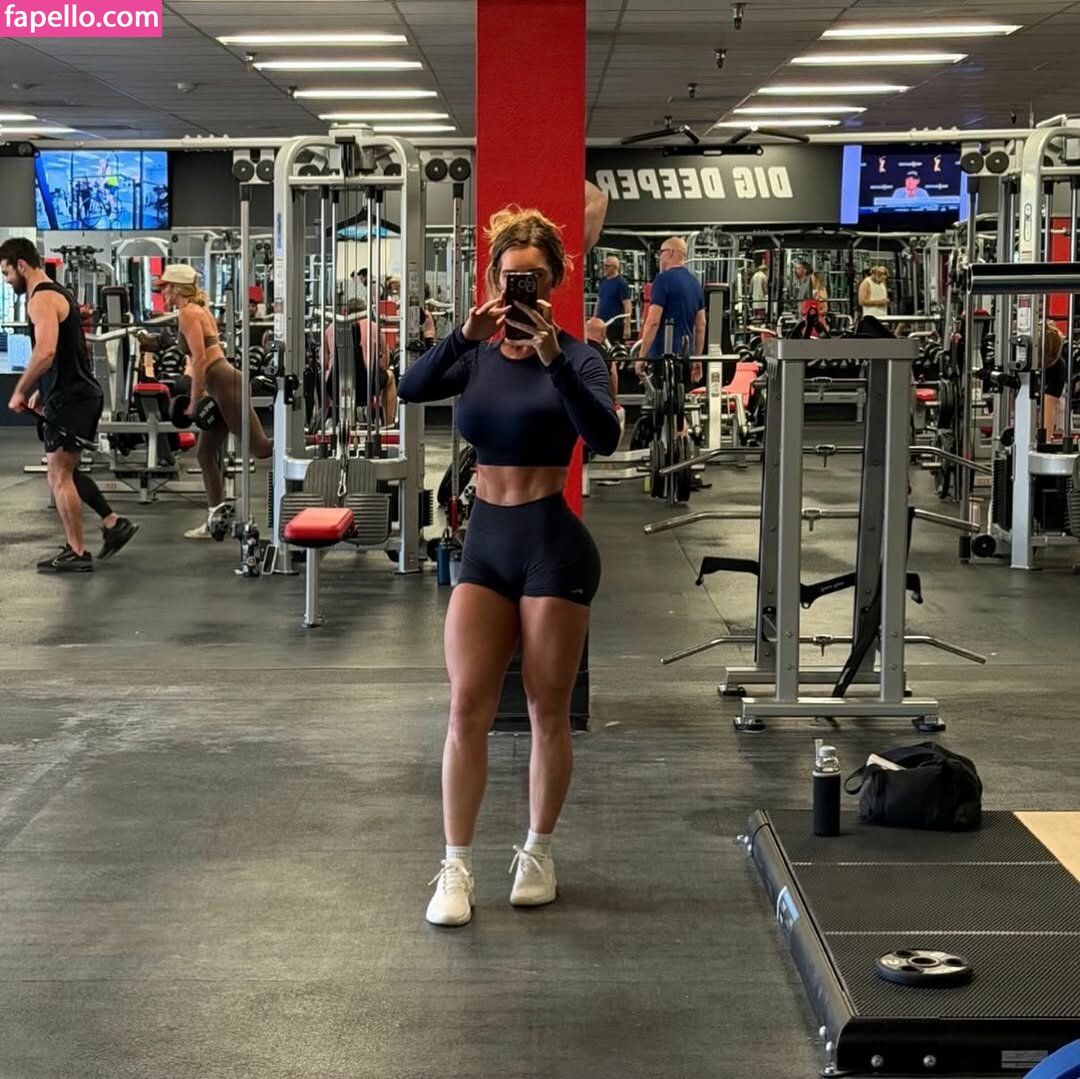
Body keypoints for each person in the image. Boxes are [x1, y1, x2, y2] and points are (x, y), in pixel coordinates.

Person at [397, 207, 620, 928]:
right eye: (510, 276)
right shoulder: (476, 355)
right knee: (467, 707)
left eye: (535, 277)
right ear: (494, 279)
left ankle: (537, 851)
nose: (522, 287)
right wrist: (463, 334)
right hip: (486, 544)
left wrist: (554, 358)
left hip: (553, 543)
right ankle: (455, 864)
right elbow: (410, 387)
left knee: (546, 708)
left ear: (554, 281)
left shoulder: (580, 357)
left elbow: (605, 438)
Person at [1, 237, 138, 571]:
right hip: (75, 394)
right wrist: (43, 390)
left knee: (58, 474)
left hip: (73, 398)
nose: (5, 280)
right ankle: (113, 523)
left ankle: (77, 553)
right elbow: (66, 353)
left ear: (22, 265)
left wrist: (21, 389)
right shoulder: (59, 293)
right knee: (67, 471)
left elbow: (46, 352)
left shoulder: (41, 299)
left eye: (6, 272)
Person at [154, 265, 272, 539]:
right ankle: (215, 521)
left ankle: (317, 447)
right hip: (218, 385)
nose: (163, 292)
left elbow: (200, 359)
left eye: (165, 287)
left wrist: (194, 401)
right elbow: (199, 359)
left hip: (225, 383)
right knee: (205, 454)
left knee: (261, 448)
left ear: (177, 288)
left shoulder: (189, 313)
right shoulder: (196, 310)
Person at [635, 237, 705, 385]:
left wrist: (642, 356)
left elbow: (653, 322)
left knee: (660, 398)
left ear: (671, 253)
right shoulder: (695, 283)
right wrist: (697, 358)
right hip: (686, 357)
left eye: (661, 252)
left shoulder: (662, 280)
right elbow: (701, 325)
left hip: (663, 357)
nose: (659, 257)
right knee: (684, 397)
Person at [594, 255, 632, 344]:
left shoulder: (621, 283)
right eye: (604, 265)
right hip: (601, 323)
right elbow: (598, 301)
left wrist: (627, 326)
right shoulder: (602, 281)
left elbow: (627, 305)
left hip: (615, 324)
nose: (604, 268)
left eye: (607, 266)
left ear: (615, 267)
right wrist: (594, 318)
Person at [1042, 322, 1067, 438]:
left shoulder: (1059, 366)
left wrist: (1046, 440)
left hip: (1053, 402)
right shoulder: (1018, 356)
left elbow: (1049, 404)